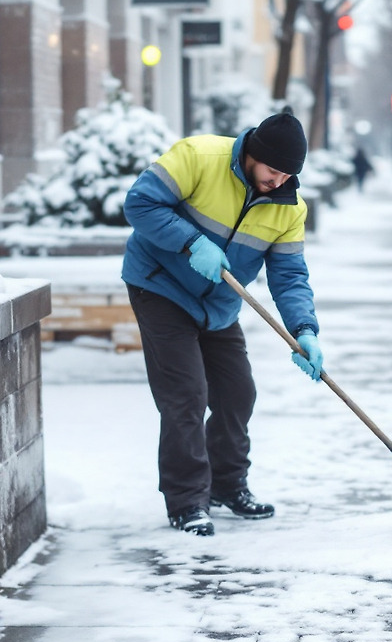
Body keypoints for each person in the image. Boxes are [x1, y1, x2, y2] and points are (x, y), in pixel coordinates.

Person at [121, 108, 324, 537]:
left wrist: (304, 330)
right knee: (186, 396)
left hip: (218, 305)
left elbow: (289, 276)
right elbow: (139, 203)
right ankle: (188, 501)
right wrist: (191, 241)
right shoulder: (198, 156)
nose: (279, 182)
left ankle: (226, 485)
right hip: (159, 287)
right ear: (252, 154)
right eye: (273, 171)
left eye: (289, 175)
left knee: (237, 393)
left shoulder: (288, 208)